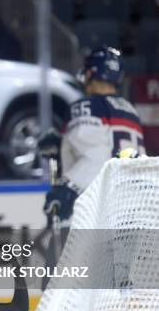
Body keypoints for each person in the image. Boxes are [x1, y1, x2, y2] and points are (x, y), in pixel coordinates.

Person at [38, 46, 145, 225]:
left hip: (96, 211)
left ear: (89, 73)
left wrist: (68, 187)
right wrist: (63, 146)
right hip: (132, 207)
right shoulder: (130, 110)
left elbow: (97, 156)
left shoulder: (86, 106)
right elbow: (111, 146)